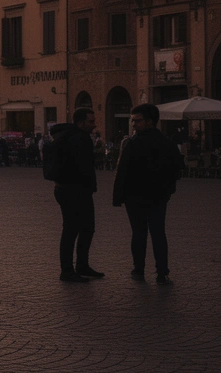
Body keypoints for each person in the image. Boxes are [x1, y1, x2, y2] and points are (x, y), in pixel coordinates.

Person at [112, 104, 182, 285]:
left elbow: (122, 172)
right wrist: (168, 190)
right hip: (157, 196)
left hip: (135, 197)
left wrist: (119, 196)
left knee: (139, 233)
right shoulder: (167, 143)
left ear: (150, 121)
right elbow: (177, 170)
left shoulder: (132, 143)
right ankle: (161, 271)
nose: (133, 124)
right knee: (158, 232)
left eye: (137, 120)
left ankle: (139, 269)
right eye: (132, 120)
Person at [50, 109, 102, 282]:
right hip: (76, 189)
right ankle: (68, 270)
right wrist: (89, 186)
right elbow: (84, 166)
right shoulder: (80, 138)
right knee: (75, 229)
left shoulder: (63, 135)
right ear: (80, 123)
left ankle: (79, 265)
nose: (94, 125)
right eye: (91, 121)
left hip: (64, 188)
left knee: (79, 228)